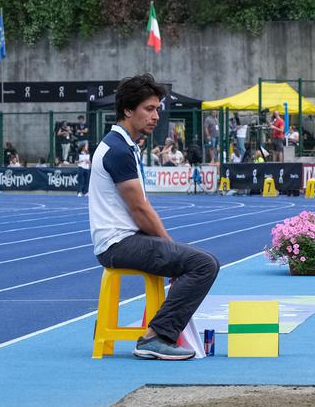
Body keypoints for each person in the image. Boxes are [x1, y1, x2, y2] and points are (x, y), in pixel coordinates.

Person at [89, 74, 218, 360]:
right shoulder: (118, 150)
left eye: (158, 109)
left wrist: (169, 249)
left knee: (198, 260)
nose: (156, 116)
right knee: (203, 264)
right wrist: (169, 244)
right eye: (149, 109)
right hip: (117, 244)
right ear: (127, 110)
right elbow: (139, 209)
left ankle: (158, 333)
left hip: (124, 239)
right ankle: (156, 336)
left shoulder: (123, 145)